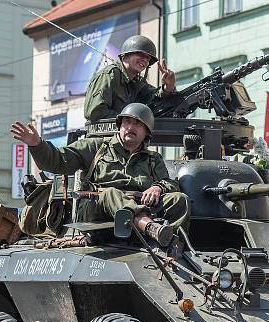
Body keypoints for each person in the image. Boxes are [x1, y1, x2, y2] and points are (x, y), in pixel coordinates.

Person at [11, 103, 189, 247]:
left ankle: (169, 243)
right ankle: (148, 226)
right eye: (127, 122)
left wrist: (157, 187)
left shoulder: (152, 158)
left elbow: (169, 183)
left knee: (179, 199)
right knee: (112, 193)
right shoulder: (96, 148)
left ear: (146, 132)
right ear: (120, 126)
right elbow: (58, 160)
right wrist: (37, 145)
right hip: (95, 211)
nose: (130, 127)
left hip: (134, 207)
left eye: (137, 124)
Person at [84, 36, 176, 122]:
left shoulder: (137, 82)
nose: (144, 60)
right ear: (126, 55)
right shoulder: (109, 75)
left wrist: (168, 86)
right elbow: (95, 112)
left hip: (128, 135)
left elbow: (154, 98)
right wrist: (129, 121)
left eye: (148, 58)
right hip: (103, 137)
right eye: (141, 54)